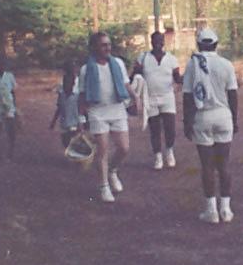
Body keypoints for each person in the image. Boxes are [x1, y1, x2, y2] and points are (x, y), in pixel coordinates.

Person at [183, 28, 239, 224]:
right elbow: (233, 94)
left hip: (202, 116)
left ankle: (211, 211)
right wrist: (235, 119)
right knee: (223, 164)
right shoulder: (226, 65)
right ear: (216, 44)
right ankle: (226, 209)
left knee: (207, 166)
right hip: (224, 116)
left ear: (199, 45)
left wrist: (187, 121)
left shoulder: (193, 65)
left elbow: (188, 95)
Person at [78, 32, 137, 203]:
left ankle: (112, 171)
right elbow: (81, 96)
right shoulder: (85, 69)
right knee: (102, 150)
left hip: (117, 109)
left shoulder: (117, 63)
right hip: (97, 112)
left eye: (109, 44)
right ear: (95, 47)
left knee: (124, 148)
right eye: (103, 45)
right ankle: (104, 186)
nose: (107, 48)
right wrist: (81, 119)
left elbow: (126, 83)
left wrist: (135, 97)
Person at [132, 31, 183, 170]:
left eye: (160, 41)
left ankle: (170, 152)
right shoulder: (143, 57)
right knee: (154, 129)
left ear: (163, 42)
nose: (158, 43)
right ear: (151, 42)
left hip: (167, 97)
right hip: (150, 98)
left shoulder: (171, 59)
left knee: (170, 128)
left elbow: (177, 78)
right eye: (155, 41)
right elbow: (135, 75)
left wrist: (188, 77)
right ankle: (158, 156)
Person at [49, 61, 86, 150]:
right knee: (70, 142)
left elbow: (82, 107)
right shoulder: (64, 90)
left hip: (73, 122)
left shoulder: (75, 89)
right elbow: (59, 106)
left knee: (72, 142)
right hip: (68, 122)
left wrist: (82, 122)